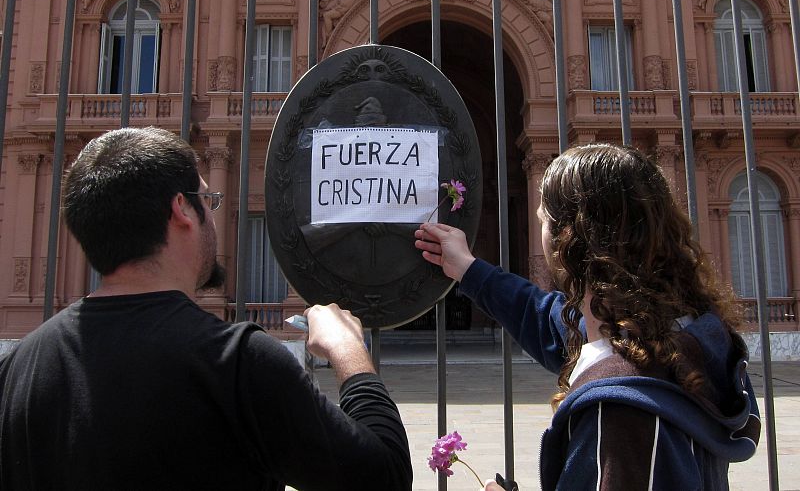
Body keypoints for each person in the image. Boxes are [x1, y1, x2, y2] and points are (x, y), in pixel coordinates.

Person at [0, 127, 412, 491]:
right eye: (208, 200)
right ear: (182, 209)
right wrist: (349, 352)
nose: (213, 217)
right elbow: (384, 476)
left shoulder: (18, 367)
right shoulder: (236, 362)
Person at [415, 143, 760, 491]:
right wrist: (470, 270)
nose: (541, 232)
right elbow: (548, 321)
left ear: (569, 238)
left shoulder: (622, 412)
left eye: (543, 221)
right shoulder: (682, 344)